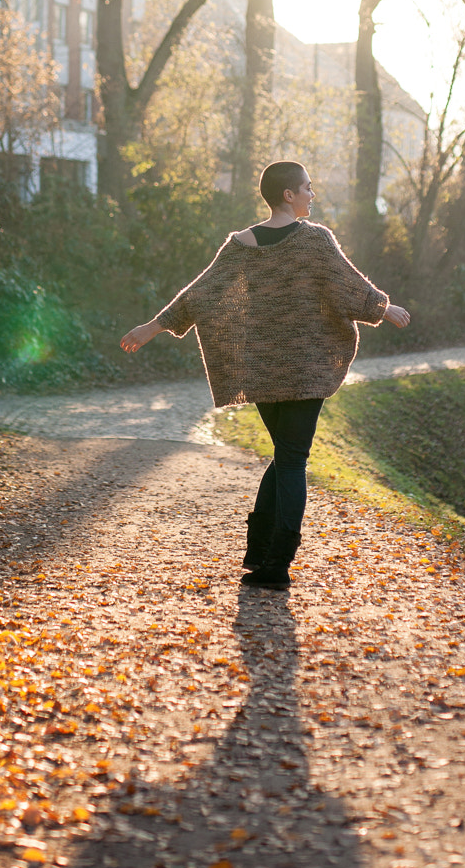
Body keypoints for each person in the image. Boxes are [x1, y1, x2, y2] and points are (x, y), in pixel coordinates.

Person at [121, 160, 410, 590]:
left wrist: (153, 327)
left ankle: (259, 551)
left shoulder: (240, 245)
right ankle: (277, 564)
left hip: (262, 373)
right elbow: (346, 287)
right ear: (288, 195)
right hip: (305, 371)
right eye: (307, 187)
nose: (312, 194)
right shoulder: (315, 241)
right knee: (293, 459)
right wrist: (384, 309)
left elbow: (200, 294)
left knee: (285, 455)